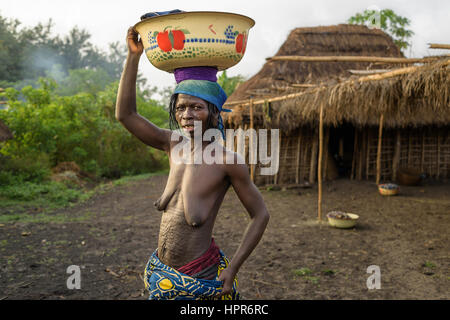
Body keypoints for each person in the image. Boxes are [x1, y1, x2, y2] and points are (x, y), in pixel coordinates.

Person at [115, 26, 270, 300]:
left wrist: (232, 268)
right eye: (180, 107)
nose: (186, 114)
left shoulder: (227, 161)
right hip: (160, 272)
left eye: (196, 107)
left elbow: (260, 215)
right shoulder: (172, 144)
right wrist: (134, 56)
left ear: (213, 112)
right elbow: (126, 115)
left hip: (199, 278)